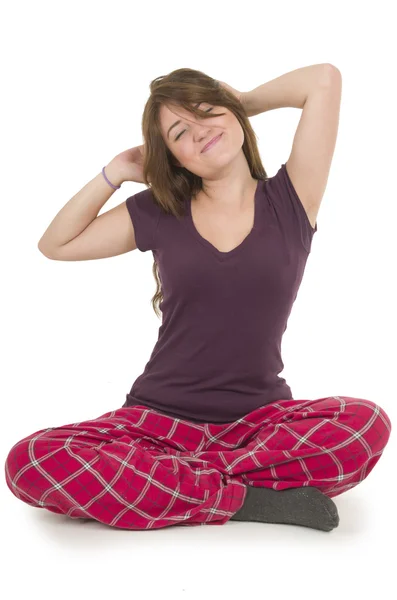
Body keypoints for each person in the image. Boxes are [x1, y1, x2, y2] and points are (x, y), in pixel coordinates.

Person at [4, 67, 391, 532]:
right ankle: (247, 499)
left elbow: (324, 81)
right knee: (31, 460)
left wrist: (241, 102)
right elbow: (56, 245)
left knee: (366, 424)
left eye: (206, 111)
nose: (200, 129)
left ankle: (179, 489)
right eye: (180, 132)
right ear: (174, 159)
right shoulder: (160, 211)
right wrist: (117, 171)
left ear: (235, 116)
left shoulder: (291, 199)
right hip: (154, 423)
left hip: (258, 425)